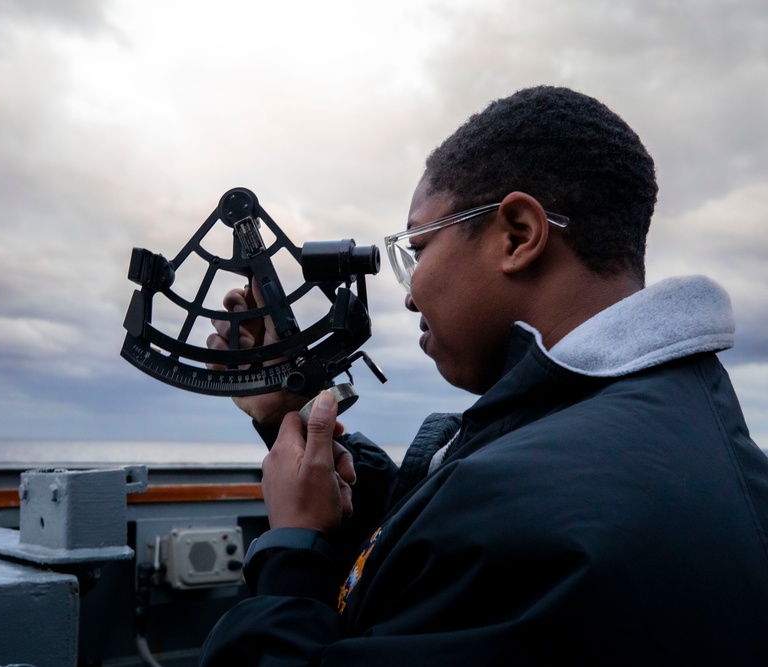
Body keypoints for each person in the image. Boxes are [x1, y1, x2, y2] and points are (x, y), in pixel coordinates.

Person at [199, 86, 768, 665]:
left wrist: (292, 555)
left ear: (518, 235)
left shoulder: (525, 508)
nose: (410, 295)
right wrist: (285, 414)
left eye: (417, 248)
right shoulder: (684, 432)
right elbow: (446, 567)